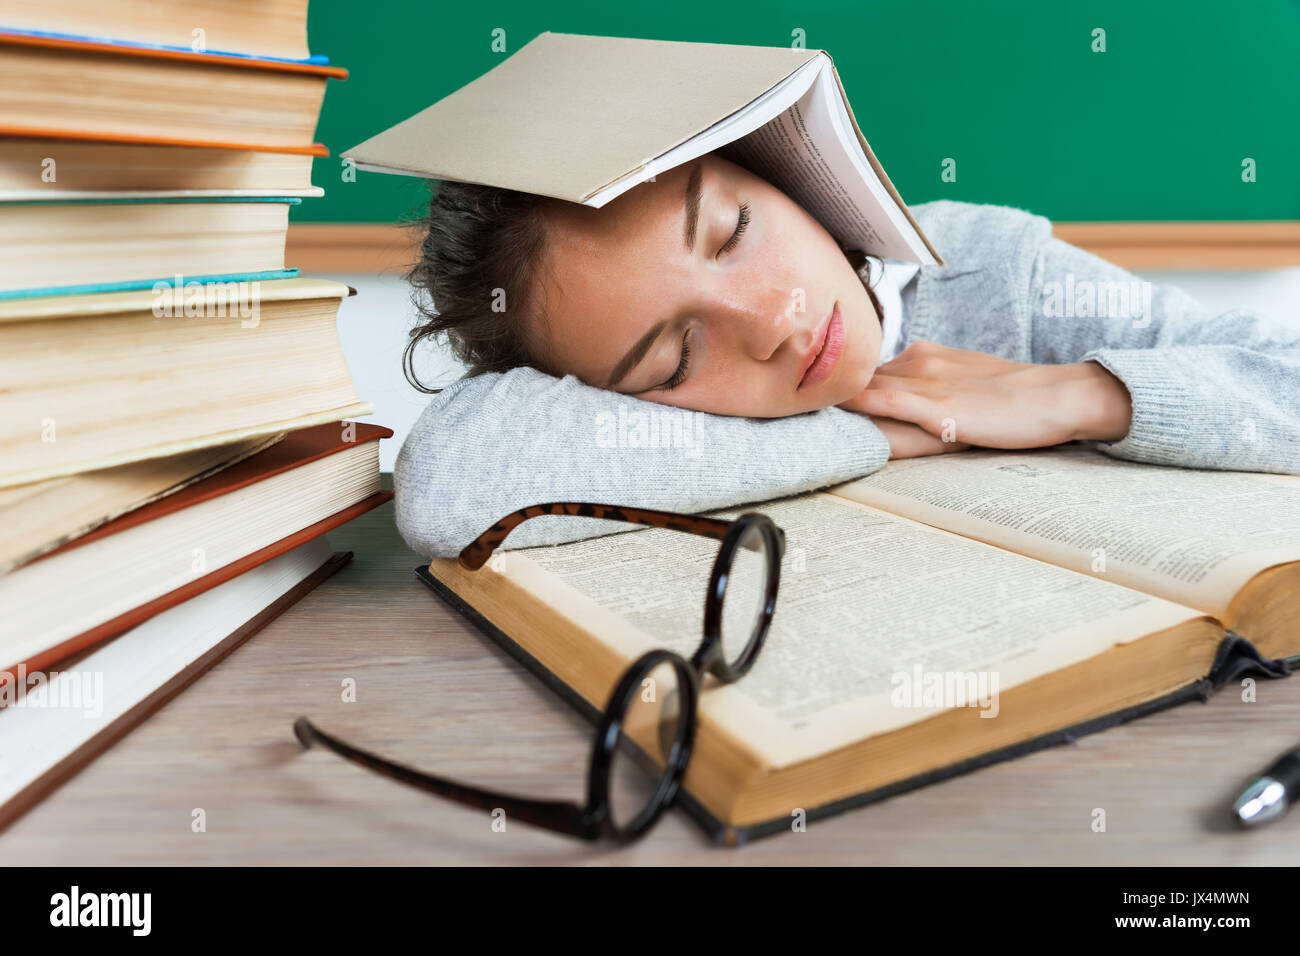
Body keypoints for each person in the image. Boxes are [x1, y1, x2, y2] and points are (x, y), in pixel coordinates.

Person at [394, 152, 1300, 558]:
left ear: (779, 172)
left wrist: (1077, 394)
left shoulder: (987, 270)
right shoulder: (610, 425)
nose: (776, 322)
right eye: (673, 362)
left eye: (734, 230)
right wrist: (865, 433)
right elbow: (445, 488)